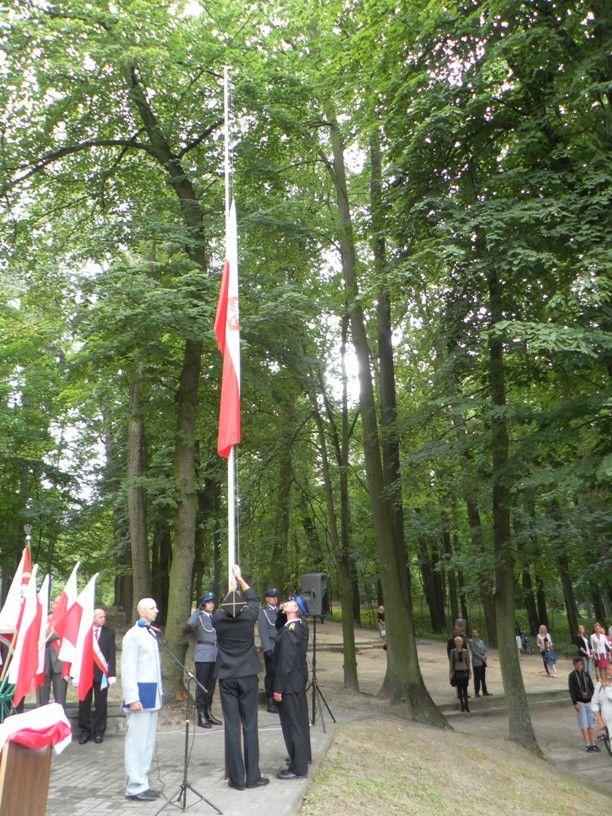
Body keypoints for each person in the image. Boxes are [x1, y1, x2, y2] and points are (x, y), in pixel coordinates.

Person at [213, 564, 268, 791]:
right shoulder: (248, 617)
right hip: (247, 675)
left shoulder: (218, 619)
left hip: (227, 675)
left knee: (232, 726)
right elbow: (254, 600)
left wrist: (230, 589)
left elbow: (219, 608)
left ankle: (237, 779)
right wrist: (239, 579)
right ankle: (253, 777)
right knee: (250, 725)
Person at [121, 598, 163, 802]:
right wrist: (131, 698)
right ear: (141, 611)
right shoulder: (133, 635)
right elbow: (128, 668)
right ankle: (134, 787)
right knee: (136, 741)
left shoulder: (150, 633)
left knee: (147, 742)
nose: (156, 610)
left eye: (155, 607)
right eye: (152, 608)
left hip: (152, 694)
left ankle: (142, 782)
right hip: (140, 695)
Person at [272, 597, 310, 780]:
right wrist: (282, 611)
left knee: (292, 726)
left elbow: (285, 663)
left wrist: (278, 688)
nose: (285, 602)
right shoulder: (299, 625)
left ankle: (298, 768)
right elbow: (279, 624)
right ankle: (301, 758)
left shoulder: (290, 632)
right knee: (299, 723)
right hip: (296, 682)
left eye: (290, 602)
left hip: (289, 684)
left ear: (295, 608)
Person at [78, 608, 116, 744]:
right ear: (93, 618)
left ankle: (99, 731)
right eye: (100, 617)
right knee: (84, 703)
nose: (103, 619)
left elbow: (112, 654)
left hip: (102, 673)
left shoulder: (109, 632)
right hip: (86, 673)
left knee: (101, 704)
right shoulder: (84, 632)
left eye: (104, 617)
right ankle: (85, 731)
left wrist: (112, 674)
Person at [185, 592, 221, 729]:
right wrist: (198, 611)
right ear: (203, 604)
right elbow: (189, 625)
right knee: (202, 686)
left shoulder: (214, 617)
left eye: (212, 601)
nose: (212, 604)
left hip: (215, 654)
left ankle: (208, 712)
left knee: (211, 685)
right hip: (203, 654)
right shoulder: (198, 617)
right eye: (208, 602)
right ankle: (201, 715)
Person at [36, 596, 67, 708]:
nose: (57, 605)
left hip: (59, 660)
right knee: (42, 694)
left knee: (60, 696)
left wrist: (44, 636)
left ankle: (60, 719)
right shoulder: (45, 619)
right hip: (43, 660)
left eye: (60, 603)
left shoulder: (67, 620)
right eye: (56, 603)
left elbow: (60, 633)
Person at [568, 657, 599, 753]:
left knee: (591, 724)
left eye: (581, 664)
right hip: (580, 702)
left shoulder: (586, 674)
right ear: (574, 665)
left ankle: (593, 743)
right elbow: (572, 690)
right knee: (584, 724)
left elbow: (591, 687)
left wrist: (594, 700)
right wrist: (574, 703)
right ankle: (587, 744)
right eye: (577, 664)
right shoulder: (572, 675)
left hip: (589, 701)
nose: (579, 666)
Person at [257, 587, 281, 713]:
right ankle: (270, 701)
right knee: (271, 675)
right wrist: (267, 649)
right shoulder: (263, 613)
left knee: (280, 674)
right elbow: (263, 632)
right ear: (267, 599)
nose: (275, 598)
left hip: (281, 647)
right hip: (271, 647)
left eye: (276, 596)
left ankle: (279, 699)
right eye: (272, 596)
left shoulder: (280, 611)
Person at [591, 661, 612, 744]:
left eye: (611, 670)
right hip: (606, 723)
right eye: (608, 669)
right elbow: (594, 704)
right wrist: (600, 722)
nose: (609, 671)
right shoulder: (599, 685)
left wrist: (606, 688)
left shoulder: (604, 687)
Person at [449, 636, 471, 712]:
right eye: (456, 642)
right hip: (457, 673)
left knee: (465, 690)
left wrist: (470, 672)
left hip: (464, 672)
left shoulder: (465, 651)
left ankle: (467, 706)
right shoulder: (452, 651)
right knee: (459, 690)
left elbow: (468, 662)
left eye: (459, 641)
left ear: (462, 643)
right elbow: (451, 664)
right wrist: (451, 674)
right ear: (455, 643)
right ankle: (462, 705)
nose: (458, 643)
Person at [468, 628, 491, 697]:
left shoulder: (481, 641)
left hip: (483, 662)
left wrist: (485, 655)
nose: (474, 634)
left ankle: (484, 691)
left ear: (478, 634)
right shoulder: (471, 641)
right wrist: (482, 657)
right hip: (477, 662)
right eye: (473, 632)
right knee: (477, 678)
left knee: (483, 677)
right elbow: (474, 652)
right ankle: (477, 692)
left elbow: (485, 649)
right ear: (472, 634)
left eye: (476, 632)